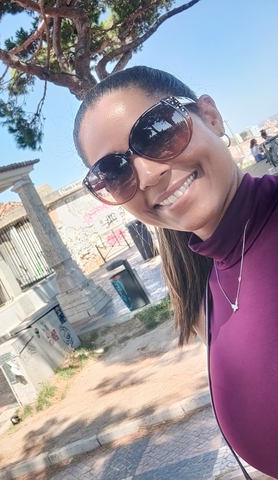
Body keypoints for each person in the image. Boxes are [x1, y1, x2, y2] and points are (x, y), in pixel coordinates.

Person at [73, 65, 278, 479]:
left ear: (211, 116)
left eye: (159, 131)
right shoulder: (203, 292)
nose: (148, 174)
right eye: (115, 172)